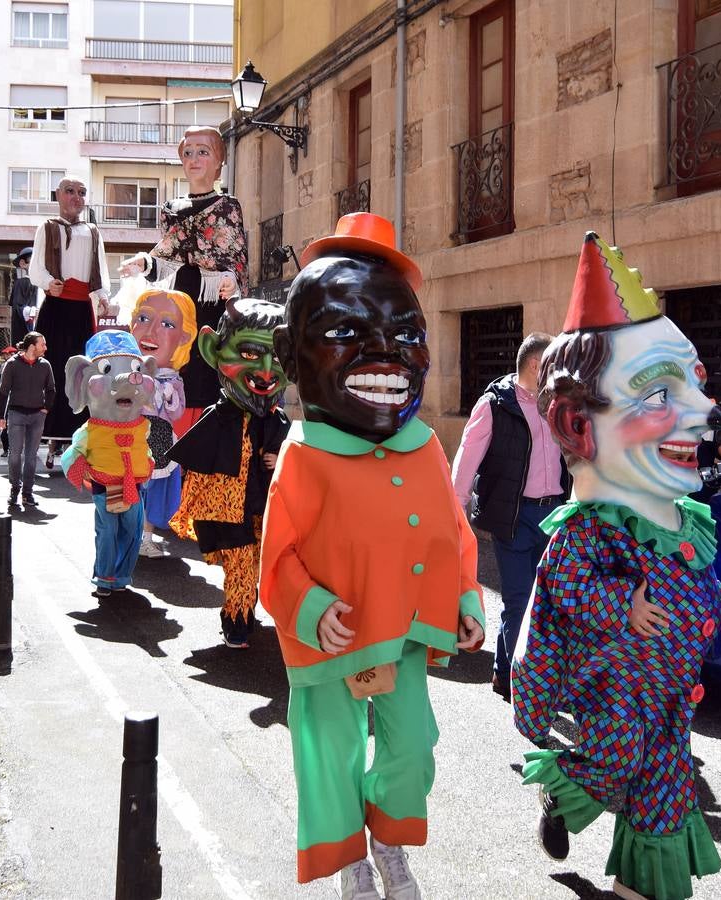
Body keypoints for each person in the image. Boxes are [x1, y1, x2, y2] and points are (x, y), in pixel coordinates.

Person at [260, 213, 485, 898]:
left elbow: (453, 531)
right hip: (334, 638)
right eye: (345, 335)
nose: (386, 353)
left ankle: (388, 840)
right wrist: (310, 607)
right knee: (330, 755)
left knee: (413, 747)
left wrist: (466, 599)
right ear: (291, 354)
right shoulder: (304, 453)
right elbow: (278, 556)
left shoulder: (422, 445)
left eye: (405, 334)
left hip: (407, 628)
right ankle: (349, 858)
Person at [512, 233, 721, 900]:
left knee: (665, 796)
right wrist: (620, 606)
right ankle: (562, 795)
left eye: (694, 382)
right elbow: (564, 583)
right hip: (616, 695)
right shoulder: (587, 529)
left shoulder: (682, 516)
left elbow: (701, 580)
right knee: (609, 764)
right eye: (660, 392)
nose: (702, 409)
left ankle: (642, 887)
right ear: (579, 423)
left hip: (669, 701)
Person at [450, 332, 570, 702]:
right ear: (536, 365)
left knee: (550, 603)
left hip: (555, 515)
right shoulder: (494, 405)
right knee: (519, 601)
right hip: (514, 517)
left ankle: (518, 672)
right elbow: (465, 464)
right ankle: (519, 682)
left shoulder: (558, 403)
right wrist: (454, 517)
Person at [169, 298, 290, 648]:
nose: (267, 371)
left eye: (279, 357)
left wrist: (279, 458)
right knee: (238, 564)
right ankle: (235, 619)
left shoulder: (280, 421)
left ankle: (245, 608)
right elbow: (198, 466)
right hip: (228, 513)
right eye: (251, 355)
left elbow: (297, 465)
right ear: (212, 350)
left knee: (254, 565)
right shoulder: (217, 417)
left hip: (264, 510)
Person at [119, 126, 247, 435]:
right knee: (177, 360)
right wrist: (143, 262)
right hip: (181, 296)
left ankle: (207, 434)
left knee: (207, 365)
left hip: (212, 300)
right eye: (188, 153)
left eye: (203, 152)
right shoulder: (170, 210)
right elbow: (165, 256)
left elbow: (236, 256)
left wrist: (230, 280)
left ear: (219, 161)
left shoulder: (228, 207)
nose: (194, 159)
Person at [61, 331, 156, 599]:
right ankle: (105, 577)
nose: (131, 378)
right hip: (105, 487)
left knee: (133, 531)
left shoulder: (142, 426)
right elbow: (71, 454)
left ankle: (122, 575)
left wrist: (146, 463)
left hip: (134, 487)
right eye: (107, 370)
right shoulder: (90, 430)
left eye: (137, 370)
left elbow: (144, 448)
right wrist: (82, 470)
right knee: (107, 532)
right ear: (81, 378)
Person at [28, 177, 110, 468]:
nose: (77, 197)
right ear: (58, 196)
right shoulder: (46, 227)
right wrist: (49, 283)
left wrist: (102, 297)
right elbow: (35, 267)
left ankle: (78, 438)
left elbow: (99, 269)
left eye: (82, 193)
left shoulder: (93, 231)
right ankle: (50, 437)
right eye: (70, 192)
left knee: (82, 373)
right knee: (53, 371)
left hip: (80, 309)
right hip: (55, 306)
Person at [128, 288, 197, 558]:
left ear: (184, 337)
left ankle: (145, 538)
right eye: (143, 318)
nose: (151, 331)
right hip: (127, 437)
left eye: (167, 324)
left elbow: (177, 412)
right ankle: (124, 538)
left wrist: (167, 398)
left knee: (151, 489)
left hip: (158, 438)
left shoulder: (174, 379)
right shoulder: (124, 372)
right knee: (125, 489)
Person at [0, 332, 55, 509]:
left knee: (31, 457)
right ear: (32, 346)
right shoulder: (12, 364)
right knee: (15, 455)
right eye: (42, 344)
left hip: (37, 416)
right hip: (16, 414)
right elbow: (3, 392)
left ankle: (27, 493)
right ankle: (15, 488)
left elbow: (51, 389)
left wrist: (46, 408)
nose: (45, 348)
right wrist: (0, 416)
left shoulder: (45, 365)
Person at [0, 346, 17, 458]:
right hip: (5, 400)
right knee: (4, 427)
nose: (6, 357)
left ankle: (14, 449)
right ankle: (6, 449)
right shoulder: (2, 367)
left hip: (16, 400)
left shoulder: (19, 366)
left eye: (7, 355)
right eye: (6, 355)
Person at [9, 247, 35, 345]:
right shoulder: (21, 283)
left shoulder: (46, 284)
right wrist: (31, 311)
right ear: (23, 263)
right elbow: (18, 307)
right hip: (27, 330)